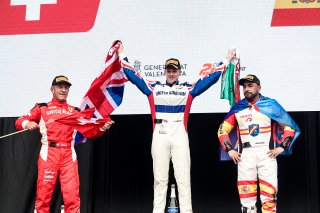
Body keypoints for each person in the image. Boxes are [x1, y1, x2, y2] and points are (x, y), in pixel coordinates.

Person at [117, 43, 236, 213]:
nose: (171, 73)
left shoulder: (188, 89)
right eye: (169, 70)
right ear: (164, 72)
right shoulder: (153, 88)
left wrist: (226, 60)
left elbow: (210, 78)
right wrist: (122, 55)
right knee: (160, 179)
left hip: (180, 134)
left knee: (183, 179)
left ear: (180, 72)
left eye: (174, 70)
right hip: (160, 134)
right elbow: (133, 75)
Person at [15, 75, 114, 213]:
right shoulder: (42, 108)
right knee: (43, 196)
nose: (63, 90)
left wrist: (102, 128)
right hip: (49, 154)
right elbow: (19, 121)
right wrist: (28, 123)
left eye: (66, 87)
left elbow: (90, 132)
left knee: (72, 196)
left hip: (68, 155)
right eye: (60, 87)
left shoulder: (75, 112)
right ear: (52, 89)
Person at [217, 74, 300, 213]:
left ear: (259, 87)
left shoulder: (270, 105)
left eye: (250, 86)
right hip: (245, 156)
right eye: (244, 86)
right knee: (246, 200)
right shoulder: (238, 107)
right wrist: (230, 149)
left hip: (266, 155)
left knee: (269, 197)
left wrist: (282, 147)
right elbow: (222, 130)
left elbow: (289, 126)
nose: (247, 89)